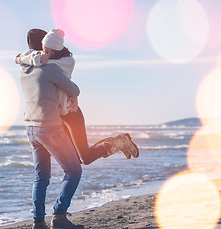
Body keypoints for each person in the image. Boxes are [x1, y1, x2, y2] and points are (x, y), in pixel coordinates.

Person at [16, 29, 139, 166]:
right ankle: (114, 144)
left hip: (71, 112)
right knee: (76, 159)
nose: (39, 54)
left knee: (85, 158)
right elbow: (21, 58)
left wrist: (73, 94)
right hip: (56, 116)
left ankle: (119, 142)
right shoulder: (42, 62)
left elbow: (22, 58)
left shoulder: (59, 62)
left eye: (39, 51)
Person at [19, 28, 86, 229]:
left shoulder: (23, 66)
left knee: (41, 178)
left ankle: (38, 224)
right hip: (50, 127)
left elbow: (20, 57)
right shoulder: (52, 69)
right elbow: (74, 90)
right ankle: (59, 216)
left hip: (30, 128)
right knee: (74, 170)